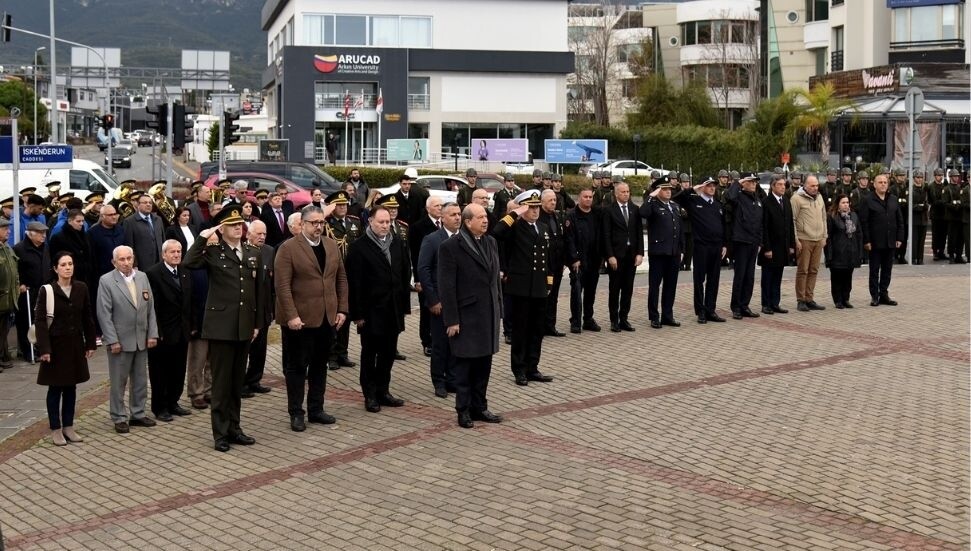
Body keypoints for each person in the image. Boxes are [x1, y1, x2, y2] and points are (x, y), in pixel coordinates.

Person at [182, 205, 264, 452]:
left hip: (244, 326)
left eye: (240, 224)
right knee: (220, 384)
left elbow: (259, 291)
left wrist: (258, 323)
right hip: (220, 327)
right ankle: (220, 434)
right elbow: (188, 262)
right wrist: (203, 237)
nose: (238, 228)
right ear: (222, 228)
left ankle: (234, 428)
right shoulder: (213, 253)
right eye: (232, 225)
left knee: (236, 383)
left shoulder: (252, 252)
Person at [274, 204, 348, 431]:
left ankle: (316, 409)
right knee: (297, 368)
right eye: (314, 223)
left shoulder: (330, 245)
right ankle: (296, 412)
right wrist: (292, 316)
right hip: (300, 321)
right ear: (302, 224)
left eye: (321, 222)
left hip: (326, 318)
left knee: (319, 366)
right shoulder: (288, 248)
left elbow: (341, 279)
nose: (318, 227)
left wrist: (342, 309)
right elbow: (282, 286)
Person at [438, 203, 502, 429]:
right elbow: (446, 287)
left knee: (484, 365)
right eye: (480, 217)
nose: (485, 220)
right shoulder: (450, 247)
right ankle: (463, 410)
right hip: (466, 317)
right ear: (467, 222)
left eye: (486, 216)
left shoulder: (491, 242)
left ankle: (480, 406)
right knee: (465, 368)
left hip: (488, 315)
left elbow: (494, 281)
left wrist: (499, 309)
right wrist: (452, 320)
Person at [345, 206, 410, 413]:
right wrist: (357, 314)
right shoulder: (359, 247)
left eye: (387, 222)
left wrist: (404, 307)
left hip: (393, 309)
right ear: (370, 222)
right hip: (371, 312)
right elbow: (354, 283)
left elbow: (404, 273)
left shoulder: (398, 243)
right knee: (369, 354)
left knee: (388, 353)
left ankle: (384, 391)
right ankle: (370, 394)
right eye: (380, 222)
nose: (385, 225)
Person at [493, 191, 555, 386]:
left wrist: (549, 282)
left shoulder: (543, 227)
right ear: (523, 208)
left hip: (538, 287)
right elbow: (497, 232)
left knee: (537, 330)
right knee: (521, 331)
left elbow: (549, 257)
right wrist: (515, 213)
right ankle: (519, 369)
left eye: (537, 207)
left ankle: (532, 367)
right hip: (520, 288)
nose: (535, 210)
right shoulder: (515, 227)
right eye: (531, 207)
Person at [35, 251, 97, 446]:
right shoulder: (47, 290)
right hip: (55, 347)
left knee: (71, 387)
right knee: (55, 388)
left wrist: (90, 343)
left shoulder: (81, 288)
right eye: (63, 264)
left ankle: (68, 426)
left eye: (70, 264)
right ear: (55, 268)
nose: (68, 267)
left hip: (75, 346)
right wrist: (44, 349)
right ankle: (55, 428)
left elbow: (87, 316)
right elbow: (41, 321)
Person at [96, 245, 159, 433]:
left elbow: (150, 309)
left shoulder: (142, 277)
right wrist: (112, 340)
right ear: (114, 262)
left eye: (129, 258)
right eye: (122, 260)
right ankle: (119, 416)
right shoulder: (106, 281)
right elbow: (104, 313)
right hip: (120, 342)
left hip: (141, 338)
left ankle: (138, 413)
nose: (126, 263)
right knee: (118, 381)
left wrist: (152, 333)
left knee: (140, 380)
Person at [145, 239, 194, 422]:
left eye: (179, 251)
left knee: (178, 369)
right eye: (172, 252)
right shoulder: (153, 273)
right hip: (163, 332)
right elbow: (152, 307)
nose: (176, 255)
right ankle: (160, 407)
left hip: (182, 331)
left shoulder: (184, 271)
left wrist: (192, 326)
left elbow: (190, 301)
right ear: (164, 254)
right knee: (160, 372)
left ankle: (174, 402)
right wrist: (155, 331)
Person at [417, 202, 461, 398]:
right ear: (442, 218)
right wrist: (433, 299)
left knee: (456, 344)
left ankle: (452, 379)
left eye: (459, 214)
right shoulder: (432, 239)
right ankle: (439, 381)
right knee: (440, 344)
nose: (457, 218)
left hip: (460, 302)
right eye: (452, 215)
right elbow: (423, 270)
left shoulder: (464, 239)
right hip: (440, 303)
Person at [672, 176, 727, 324]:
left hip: (716, 247)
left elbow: (723, 226)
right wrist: (693, 189)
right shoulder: (694, 201)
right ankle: (701, 311)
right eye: (708, 185)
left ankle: (710, 310)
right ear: (703, 187)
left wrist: (724, 244)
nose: (712, 188)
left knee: (714, 280)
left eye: (713, 186)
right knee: (699, 280)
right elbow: (677, 198)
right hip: (701, 246)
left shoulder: (717, 204)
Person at [640, 177, 683, 328]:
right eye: (664, 189)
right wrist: (651, 197)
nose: (668, 192)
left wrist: (681, 249)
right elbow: (643, 213)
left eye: (669, 189)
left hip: (673, 252)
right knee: (655, 285)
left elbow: (679, 228)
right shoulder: (653, 205)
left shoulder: (674, 206)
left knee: (671, 285)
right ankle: (654, 316)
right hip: (658, 252)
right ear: (658, 191)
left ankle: (667, 315)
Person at [325, 190, 361, 370]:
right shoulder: (326, 224)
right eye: (339, 205)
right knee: (333, 315)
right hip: (333, 276)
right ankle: (331, 354)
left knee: (345, 315)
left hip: (350, 275)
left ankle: (342, 352)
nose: (342, 207)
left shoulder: (354, 222)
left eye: (345, 204)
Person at [601, 182, 643, 331]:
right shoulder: (609, 211)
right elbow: (605, 235)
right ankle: (614, 320)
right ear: (616, 194)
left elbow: (639, 233)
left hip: (631, 256)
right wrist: (609, 256)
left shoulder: (634, 209)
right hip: (616, 256)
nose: (626, 194)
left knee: (628, 289)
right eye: (623, 192)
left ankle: (624, 318)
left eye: (628, 191)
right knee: (615, 288)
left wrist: (640, 253)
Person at [859, 173, 905, 306]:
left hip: (890, 240)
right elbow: (864, 222)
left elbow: (899, 220)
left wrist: (899, 238)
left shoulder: (893, 199)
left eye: (885, 182)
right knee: (874, 270)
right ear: (874, 184)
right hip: (875, 242)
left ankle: (884, 293)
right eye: (880, 182)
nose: (883, 184)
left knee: (887, 269)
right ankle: (874, 296)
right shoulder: (867, 200)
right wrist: (866, 241)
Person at [724, 173, 764, 319]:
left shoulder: (757, 200)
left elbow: (760, 224)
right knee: (740, 276)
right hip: (741, 242)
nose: (754, 184)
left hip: (753, 242)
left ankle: (744, 305)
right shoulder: (738, 197)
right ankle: (736, 307)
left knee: (750, 276)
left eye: (755, 182)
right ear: (744, 183)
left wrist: (760, 242)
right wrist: (738, 182)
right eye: (751, 182)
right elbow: (729, 196)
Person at [242, 220, 275, 397]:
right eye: (258, 234)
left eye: (264, 234)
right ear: (248, 234)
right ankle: (240, 383)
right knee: (245, 348)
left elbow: (272, 283)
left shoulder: (269, 251)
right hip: (246, 309)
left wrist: (271, 310)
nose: (262, 237)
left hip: (264, 309)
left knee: (260, 349)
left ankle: (255, 380)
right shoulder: (241, 251)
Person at [409, 195, 443, 357]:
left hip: (443, 276)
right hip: (427, 276)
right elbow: (416, 256)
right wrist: (417, 279)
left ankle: (439, 339)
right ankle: (427, 341)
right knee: (426, 308)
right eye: (436, 206)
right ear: (428, 208)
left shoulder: (446, 225)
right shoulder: (418, 227)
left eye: (441, 206)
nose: (440, 208)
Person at [564, 188, 602, 333]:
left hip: (594, 259)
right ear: (579, 198)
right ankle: (575, 321)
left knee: (591, 292)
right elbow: (569, 239)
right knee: (576, 291)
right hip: (579, 261)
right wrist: (574, 258)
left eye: (590, 197)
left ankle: (588, 319)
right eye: (585, 197)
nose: (588, 199)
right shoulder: (571, 216)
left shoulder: (596, 214)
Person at [791, 174, 828, 312]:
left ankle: (809, 298)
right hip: (804, 239)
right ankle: (801, 299)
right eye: (812, 185)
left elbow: (824, 217)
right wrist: (796, 239)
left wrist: (825, 235)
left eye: (816, 185)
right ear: (805, 185)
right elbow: (793, 220)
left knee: (813, 270)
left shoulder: (819, 197)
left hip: (818, 239)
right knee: (803, 270)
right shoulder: (796, 199)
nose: (815, 188)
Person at [759, 174, 795, 314]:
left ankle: (775, 303)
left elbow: (790, 224)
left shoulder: (786, 201)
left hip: (782, 246)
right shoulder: (766, 202)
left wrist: (791, 245)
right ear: (773, 186)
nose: (782, 187)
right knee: (768, 276)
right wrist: (766, 248)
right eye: (779, 184)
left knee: (778, 275)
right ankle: (766, 304)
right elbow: (764, 227)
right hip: (770, 247)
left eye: (784, 185)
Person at [14, 221, 47, 362]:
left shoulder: (45, 247)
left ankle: (40, 347)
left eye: (44, 233)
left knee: (40, 320)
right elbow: (15, 270)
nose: (43, 236)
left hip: (42, 289)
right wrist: (20, 284)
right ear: (31, 233)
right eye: (40, 233)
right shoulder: (20, 249)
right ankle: (27, 350)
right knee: (25, 322)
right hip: (27, 291)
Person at [825, 195, 863, 309]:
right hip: (838, 252)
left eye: (847, 202)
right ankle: (838, 300)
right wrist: (829, 254)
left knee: (848, 277)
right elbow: (829, 237)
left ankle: (846, 298)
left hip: (851, 252)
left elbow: (859, 234)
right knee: (837, 278)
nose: (846, 205)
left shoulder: (854, 216)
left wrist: (859, 251)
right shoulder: (832, 216)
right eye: (843, 202)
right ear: (838, 204)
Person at [538, 189, 567, 337]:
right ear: (542, 202)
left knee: (554, 296)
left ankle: (550, 325)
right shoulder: (538, 218)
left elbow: (561, 239)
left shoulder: (557, 216)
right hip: (544, 265)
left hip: (557, 264)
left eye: (555, 200)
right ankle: (540, 326)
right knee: (544, 296)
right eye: (550, 200)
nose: (553, 203)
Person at [48, 209, 93, 288]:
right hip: (68, 277)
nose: (81, 224)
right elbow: (54, 259)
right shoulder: (58, 238)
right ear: (69, 221)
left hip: (86, 277)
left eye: (83, 221)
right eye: (78, 221)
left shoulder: (86, 236)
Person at [122, 193, 164, 270]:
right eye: (145, 203)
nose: (148, 205)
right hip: (142, 265)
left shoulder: (158, 219)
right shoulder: (130, 222)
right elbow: (129, 245)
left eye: (150, 203)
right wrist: (134, 264)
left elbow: (163, 240)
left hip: (159, 263)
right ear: (138, 205)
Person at [0, 219, 17, 370]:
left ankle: (4, 357)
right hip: (1, 297)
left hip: (8, 298)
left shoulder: (7, 248)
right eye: (5, 229)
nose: (9, 231)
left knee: (3, 331)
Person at [942, 170, 965, 263]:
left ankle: (959, 256)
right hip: (951, 217)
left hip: (960, 216)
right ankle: (951, 255)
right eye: (954, 176)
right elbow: (945, 202)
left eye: (957, 176)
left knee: (961, 237)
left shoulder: (960, 188)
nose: (956, 178)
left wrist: (958, 205)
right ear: (950, 177)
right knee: (952, 238)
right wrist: (954, 206)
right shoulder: (947, 189)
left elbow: (963, 200)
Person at [928, 167, 949, 260]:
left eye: (941, 175)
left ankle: (941, 251)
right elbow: (933, 199)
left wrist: (944, 201)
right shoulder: (931, 186)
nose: (940, 177)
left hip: (944, 213)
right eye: (938, 175)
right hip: (935, 213)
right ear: (935, 176)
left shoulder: (944, 185)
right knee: (936, 234)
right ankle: (935, 252)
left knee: (943, 234)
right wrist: (943, 201)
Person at [909, 171, 930, 265]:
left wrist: (922, 206)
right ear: (914, 178)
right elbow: (911, 206)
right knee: (914, 240)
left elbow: (927, 204)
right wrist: (921, 206)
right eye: (917, 177)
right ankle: (913, 258)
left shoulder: (925, 190)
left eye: (921, 177)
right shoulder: (910, 189)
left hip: (924, 219)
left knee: (922, 241)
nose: (919, 179)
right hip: (914, 219)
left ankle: (920, 258)